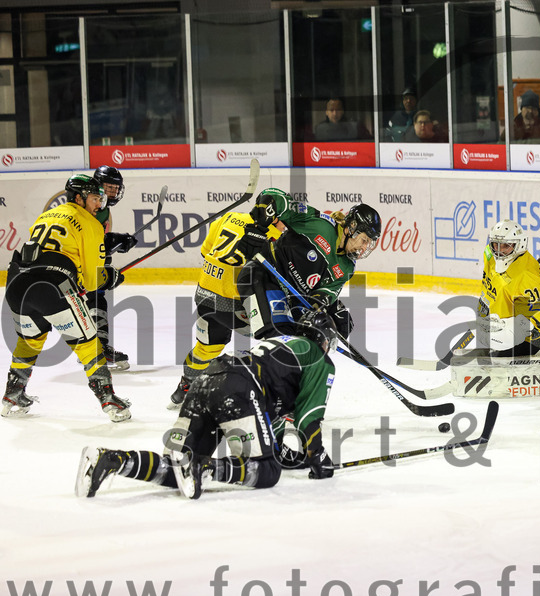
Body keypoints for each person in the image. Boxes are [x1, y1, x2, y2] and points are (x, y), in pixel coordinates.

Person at [76, 310, 339, 501]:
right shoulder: (319, 358)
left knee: (175, 469)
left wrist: (298, 457)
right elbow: (308, 419)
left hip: (205, 380)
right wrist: (318, 458)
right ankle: (206, 468)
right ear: (325, 339)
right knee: (267, 472)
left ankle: (113, 459)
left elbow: (272, 436)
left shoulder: (283, 347)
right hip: (238, 387)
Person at [2, 174, 131, 422]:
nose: (99, 205)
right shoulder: (91, 223)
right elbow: (93, 280)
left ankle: (12, 394)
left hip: (16, 284)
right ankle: (109, 400)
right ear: (79, 198)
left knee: (30, 340)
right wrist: (110, 278)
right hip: (52, 285)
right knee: (88, 341)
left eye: (101, 199)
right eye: (95, 198)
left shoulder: (47, 215)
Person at [168, 188, 290, 409]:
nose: (285, 224)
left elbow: (206, 252)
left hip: (204, 294)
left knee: (208, 347)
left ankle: (185, 385)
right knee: (278, 338)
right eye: (283, 219)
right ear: (273, 215)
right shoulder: (273, 237)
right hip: (231, 304)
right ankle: (276, 395)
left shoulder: (228, 217)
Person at [238, 202, 381, 344]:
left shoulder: (347, 267)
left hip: (293, 296)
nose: (364, 247)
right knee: (282, 340)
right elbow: (275, 199)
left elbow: (324, 296)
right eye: (364, 240)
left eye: (368, 243)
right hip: (265, 274)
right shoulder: (320, 225)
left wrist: (314, 316)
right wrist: (260, 226)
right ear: (352, 227)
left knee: (342, 323)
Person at [476, 219, 540, 357]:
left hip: (529, 338)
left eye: (505, 246)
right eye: (496, 245)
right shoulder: (489, 254)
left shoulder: (526, 276)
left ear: (519, 244)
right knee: (488, 337)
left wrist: (529, 327)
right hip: (501, 319)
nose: (499, 251)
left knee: (496, 348)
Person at [89, 165, 137, 370]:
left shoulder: (102, 208)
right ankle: (97, 349)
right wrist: (110, 242)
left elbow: (96, 243)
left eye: (115, 189)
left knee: (97, 299)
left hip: (87, 262)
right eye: (108, 188)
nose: (113, 192)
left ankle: (96, 347)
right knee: (95, 299)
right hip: (77, 265)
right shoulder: (94, 207)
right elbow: (88, 240)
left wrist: (114, 244)